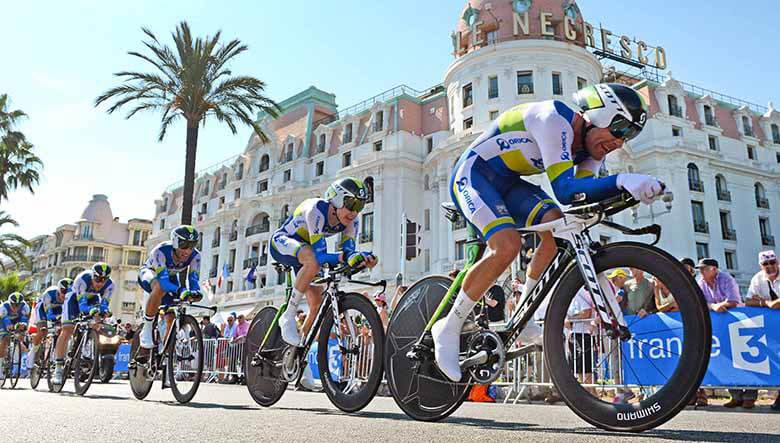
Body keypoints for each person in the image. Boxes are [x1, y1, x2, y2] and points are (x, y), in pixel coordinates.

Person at [434, 83, 663, 381]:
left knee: (556, 228)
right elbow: (566, 190)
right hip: (473, 174)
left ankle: (524, 313)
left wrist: (630, 192)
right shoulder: (553, 119)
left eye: (629, 136)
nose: (620, 142)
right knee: (507, 245)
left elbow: (581, 200)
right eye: (620, 129)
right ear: (599, 114)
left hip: (509, 184)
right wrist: (623, 181)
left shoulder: (593, 150)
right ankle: (448, 327)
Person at [271, 177, 378, 346]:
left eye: (360, 206)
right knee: (313, 261)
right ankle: (288, 316)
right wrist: (346, 257)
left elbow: (348, 253)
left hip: (308, 250)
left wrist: (363, 260)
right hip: (283, 241)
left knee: (317, 305)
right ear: (337, 199)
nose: (354, 212)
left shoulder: (352, 220)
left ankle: (296, 352)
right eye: (351, 204)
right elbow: (321, 257)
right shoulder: (316, 210)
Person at [137, 225, 203, 350]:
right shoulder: (161, 251)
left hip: (170, 277)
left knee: (172, 316)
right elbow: (163, 282)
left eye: (192, 245)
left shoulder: (195, 256)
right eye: (184, 245)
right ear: (175, 242)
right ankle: (147, 327)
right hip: (150, 274)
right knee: (160, 288)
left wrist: (195, 292)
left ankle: (167, 350)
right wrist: (180, 290)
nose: (188, 251)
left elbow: (193, 280)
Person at [53, 263, 115, 384]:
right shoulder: (82, 280)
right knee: (67, 329)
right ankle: (58, 369)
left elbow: (104, 305)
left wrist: (104, 311)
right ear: (92, 276)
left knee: (97, 320)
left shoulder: (110, 285)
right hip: (74, 299)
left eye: (104, 280)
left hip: (93, 298)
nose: (100, 283)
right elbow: (82, 306)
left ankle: (87, 347)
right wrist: (91, 310)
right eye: (97, 279)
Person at [696, 257, 744, 408]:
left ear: (714, 269)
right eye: (700, 269)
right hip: (719, 325)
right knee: (728, 359)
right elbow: (699, 302)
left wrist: (717, 305)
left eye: (704, 269)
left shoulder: (726, 279)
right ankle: (735, 396)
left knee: (744, 357)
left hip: (738, 323)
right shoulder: (701, 282)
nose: (701, 272)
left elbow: (734, 301)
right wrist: (713, 306)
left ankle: (749, 396)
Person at [744, 250, 779, 410]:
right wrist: (766, 303)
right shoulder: (758, 278)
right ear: (761, 265)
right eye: (766, 264)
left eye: (773, 262)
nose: (770, 266)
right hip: (771, 325)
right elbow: (748, 301)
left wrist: (767, 301)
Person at [29, 278, 71, 365]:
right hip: (43, 309)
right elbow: (49, 315)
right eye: (63, 291)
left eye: (68, 292)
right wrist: (58, 317)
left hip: (58, 310)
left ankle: (59, 356)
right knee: (42, 331)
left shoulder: (70, 298)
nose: (65, 295)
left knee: (64, 330)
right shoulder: (49, 294)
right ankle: (33, 352)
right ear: (59, 290)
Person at [0, 292, 30, 374]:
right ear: (10, 303)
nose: (16, 307)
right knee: (5, 339)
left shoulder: (25, 307)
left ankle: (16, 366)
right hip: (3, 321)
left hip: (17, 321)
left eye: (18, 305)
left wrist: (22, 329)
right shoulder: (3, 307)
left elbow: (24, 320)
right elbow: (5, 320)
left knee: (20, 338)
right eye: (13, 305)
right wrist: (9, 327)